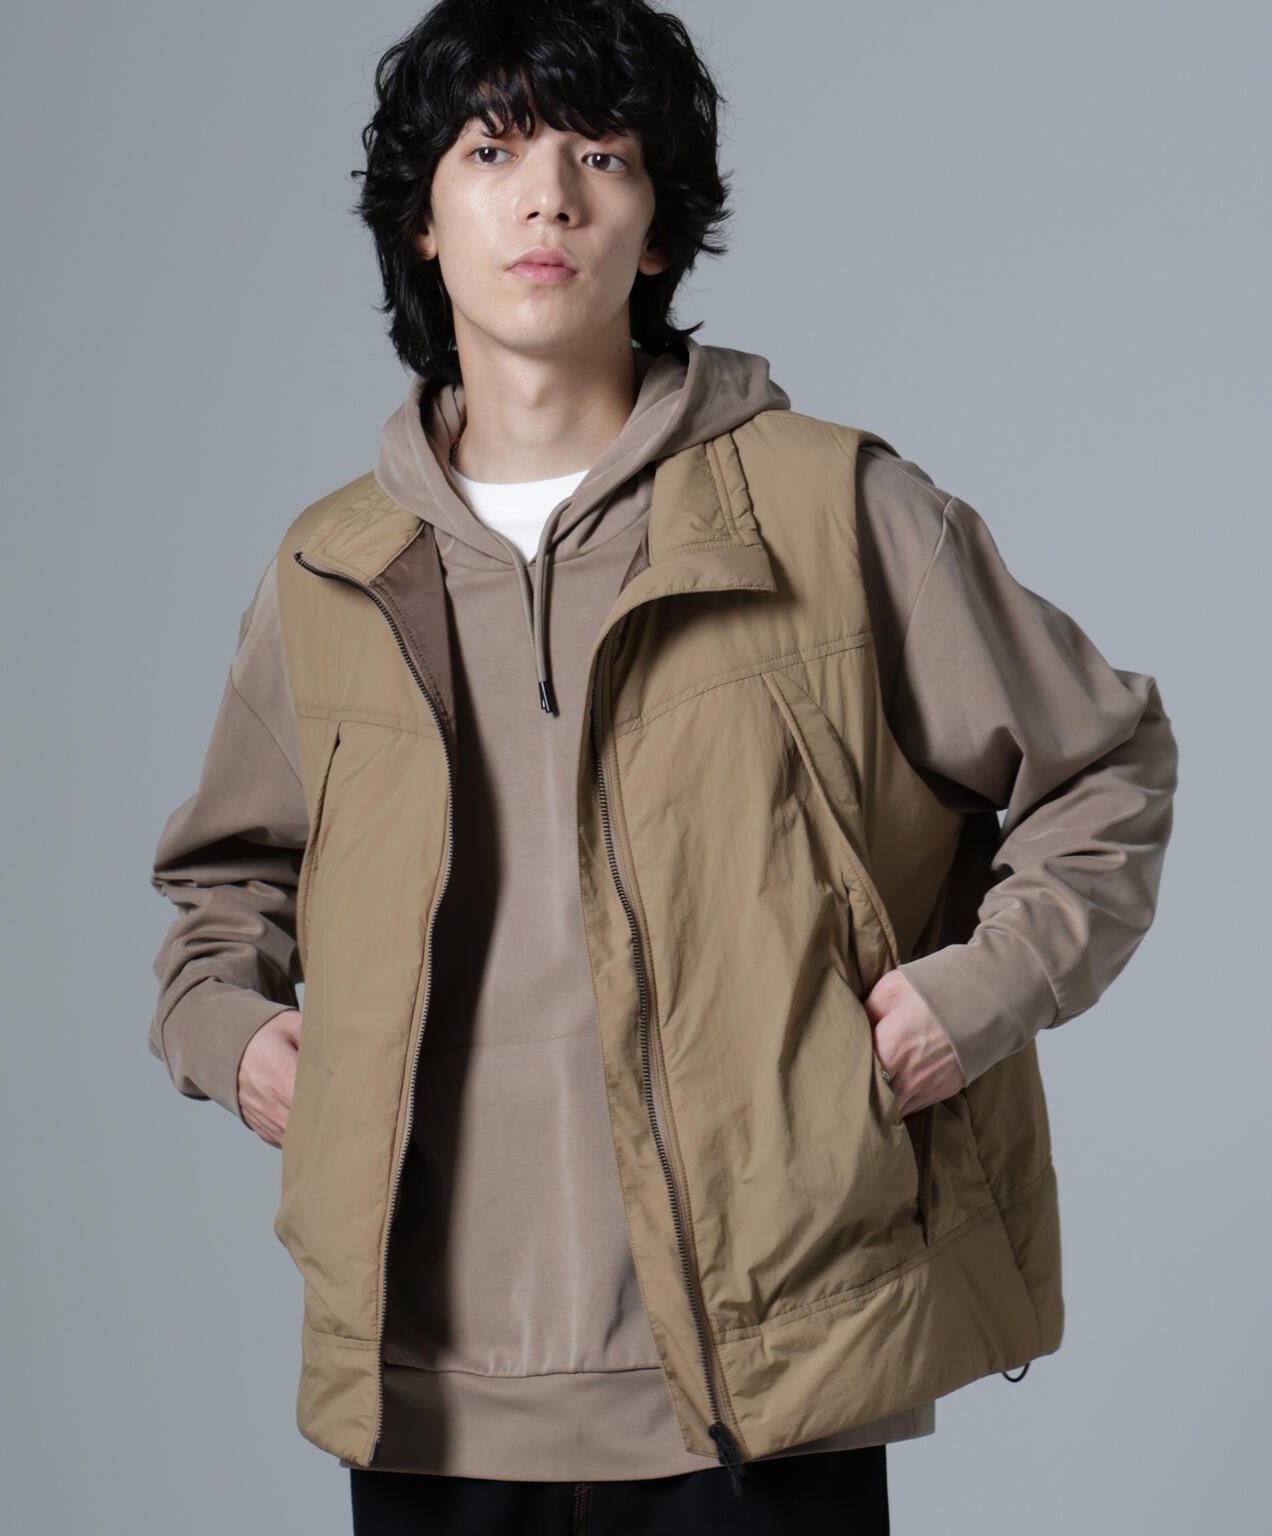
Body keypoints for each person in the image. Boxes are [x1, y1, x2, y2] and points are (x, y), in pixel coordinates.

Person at [145, 2, 1179, 1532]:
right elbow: (224, 892)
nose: (547, 198)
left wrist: (972, 999)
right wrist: (231, 1035)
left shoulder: (836, 511)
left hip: (771, 1381)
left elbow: (1106, 769)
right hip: (426, 1395)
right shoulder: (331, 569)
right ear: (422, 221)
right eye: (492, 151)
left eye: (601, 155)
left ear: (660, 226)